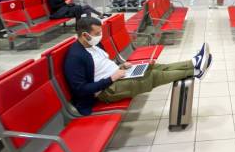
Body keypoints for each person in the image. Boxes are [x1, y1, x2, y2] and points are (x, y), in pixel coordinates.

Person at [64, 17, 212, 115]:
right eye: (97, 33)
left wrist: (121, 65)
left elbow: (102, 65)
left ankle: (194, 63)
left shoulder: (94, 45)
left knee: (154, 67)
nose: (100, 35)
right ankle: (196, 69)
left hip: (119, 75)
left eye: (100, 31)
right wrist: (111, 78)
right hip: (106, 91)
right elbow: (81, 89)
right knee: (153, 76)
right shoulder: (75, 58)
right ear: (84, 35)